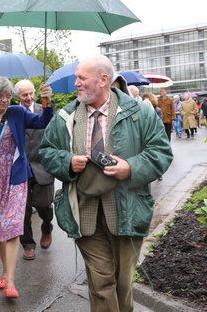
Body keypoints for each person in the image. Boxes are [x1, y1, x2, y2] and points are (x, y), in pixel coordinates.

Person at [39, 55, 173, 312]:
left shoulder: (139, 112)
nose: (75, 83)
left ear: (103, 80)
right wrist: (67, 161)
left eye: (81, 78)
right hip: (84, 211)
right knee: (101, 283)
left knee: (123, 285)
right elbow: (47, 152)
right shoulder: (65, 116)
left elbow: (161, 153)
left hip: (127, 210)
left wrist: (130, 167)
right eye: (76, 77)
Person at [0, 76, 53, 299]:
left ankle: (11, 281)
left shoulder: (17, 112)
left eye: (8, 96)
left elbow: (42, 121)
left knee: (12, 225)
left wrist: (46, 101)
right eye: (0, 96)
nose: (5, 100)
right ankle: (5, 272)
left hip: (15, 176)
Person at [13, 80, 55, 261]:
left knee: (44, 205)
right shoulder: (13, 113)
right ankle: (28, 244)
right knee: (23, 209)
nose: (29, 98)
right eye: (24, 95)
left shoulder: (44, 109)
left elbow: (52, 126)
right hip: (21, 168)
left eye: (31, 93)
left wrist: (47, 101)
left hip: (42, 166)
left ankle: (47, 227)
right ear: (17, 97)